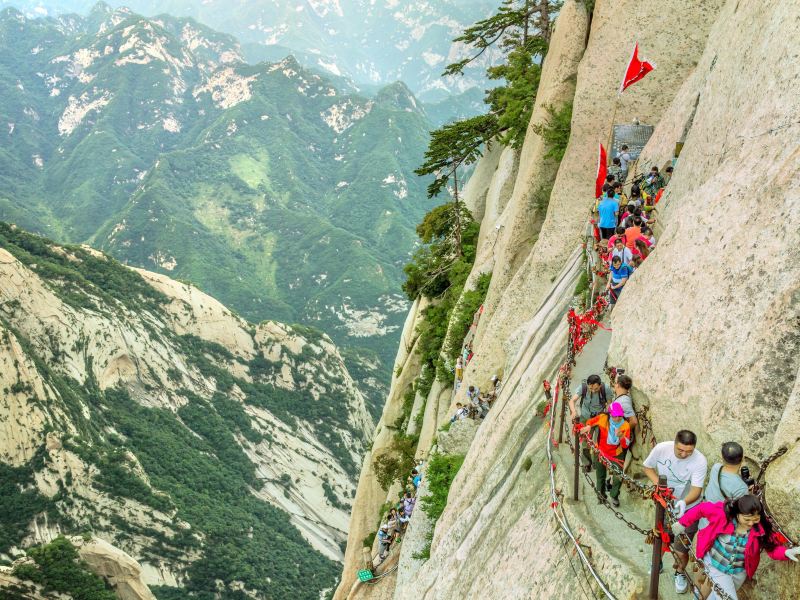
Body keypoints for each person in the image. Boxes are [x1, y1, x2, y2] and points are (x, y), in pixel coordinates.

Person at [673, 495, 800, 599]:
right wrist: (683, 523)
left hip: (738, 573)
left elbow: (772, 549)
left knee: (715, 596)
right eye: (747, 519)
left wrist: (786, 552)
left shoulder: (760, 530)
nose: (751, 523)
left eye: (755, 519)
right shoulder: (722, 514)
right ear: (738, 514)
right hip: (716, 564)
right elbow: (701, 509)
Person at [643, 430, 708, 594]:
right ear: (674, 443)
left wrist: (683, 503)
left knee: (682, 547)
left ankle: (679, 572)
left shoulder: (699, 460)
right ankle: (657, 564)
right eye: (680, 450)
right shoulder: (661, 449)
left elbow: (697, 489)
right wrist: (660, 486)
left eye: (689, 451)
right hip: (665, 503)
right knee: (661, 536)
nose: (685, 454)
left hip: (689, 508)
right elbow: (647, 467)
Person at [580, 402, 631, 507]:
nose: (616, 418)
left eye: (619, 416)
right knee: (600, 475)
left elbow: (625, 445)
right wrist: (589, 426)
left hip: (617, 454)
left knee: (618, 476)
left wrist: (621, 437)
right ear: (610, 414)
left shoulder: (625, 425)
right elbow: (591, 421)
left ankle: (614, 495)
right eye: (614, 416)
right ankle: (601, 495)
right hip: (601, 451)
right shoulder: (603, 418)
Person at [569, 374, 613, 471]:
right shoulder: (583, 387)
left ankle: (597, 464)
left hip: (599, 418)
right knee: (585, 441)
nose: (593, 391)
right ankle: (587, 463)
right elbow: (572, 401)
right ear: (588, 385)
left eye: (596, 389)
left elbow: (609, 404)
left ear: (600, 385)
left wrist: (607, 416)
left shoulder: (606, 389)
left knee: (599, 441)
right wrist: (574, 411)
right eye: (591, 389)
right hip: (585, 417)